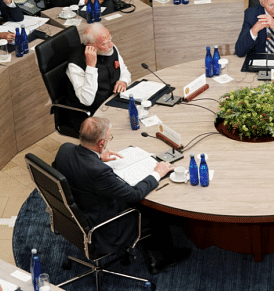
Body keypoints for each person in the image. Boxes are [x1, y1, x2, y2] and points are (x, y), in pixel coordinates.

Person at [53, 117, 190, 274]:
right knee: (154, 208)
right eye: (108, 138)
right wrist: (157, 173)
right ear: (101, 144)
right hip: (102, 227)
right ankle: (162, 258)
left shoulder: (65, 149)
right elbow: (134, 195)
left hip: (75, 215)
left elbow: (71, 170)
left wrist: (97, 158)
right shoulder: (98, 172)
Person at [66, 23, 130, 113]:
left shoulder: (111, 48)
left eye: (110, 39)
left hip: (113, 101)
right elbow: (87, 100)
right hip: (93, 111)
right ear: (91, 45)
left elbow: (124, 70)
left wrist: (123, 81)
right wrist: (91, 67)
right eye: (105, 43)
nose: (111, 44)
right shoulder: (75, 64)